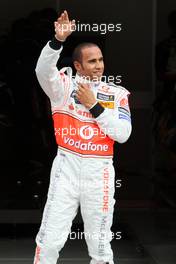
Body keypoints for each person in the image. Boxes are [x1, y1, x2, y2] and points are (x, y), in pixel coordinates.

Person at [33, 10, 132, 264]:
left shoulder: (116, 93)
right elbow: (42, 71)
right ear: (78, 65)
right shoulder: (63, 87)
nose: (98, 65)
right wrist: (57, 41)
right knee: (49, 241)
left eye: (100, 60)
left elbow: (122, 134)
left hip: (99, 172)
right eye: (92, 61)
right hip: (66, 167)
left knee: (100, 246)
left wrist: (94, 106)